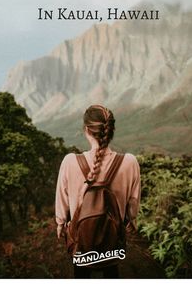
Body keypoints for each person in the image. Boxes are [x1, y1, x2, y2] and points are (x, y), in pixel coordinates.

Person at [55, 104, 141, 278]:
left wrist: (60, 223)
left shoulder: (70, 161)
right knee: (111, 270)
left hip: (81, 237)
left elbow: (62, 201)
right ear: (111, 130)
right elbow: (132, 205)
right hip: (113, 236)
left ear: (86, 130)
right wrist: (131, 220)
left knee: (81, 273)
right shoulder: (130, 162)